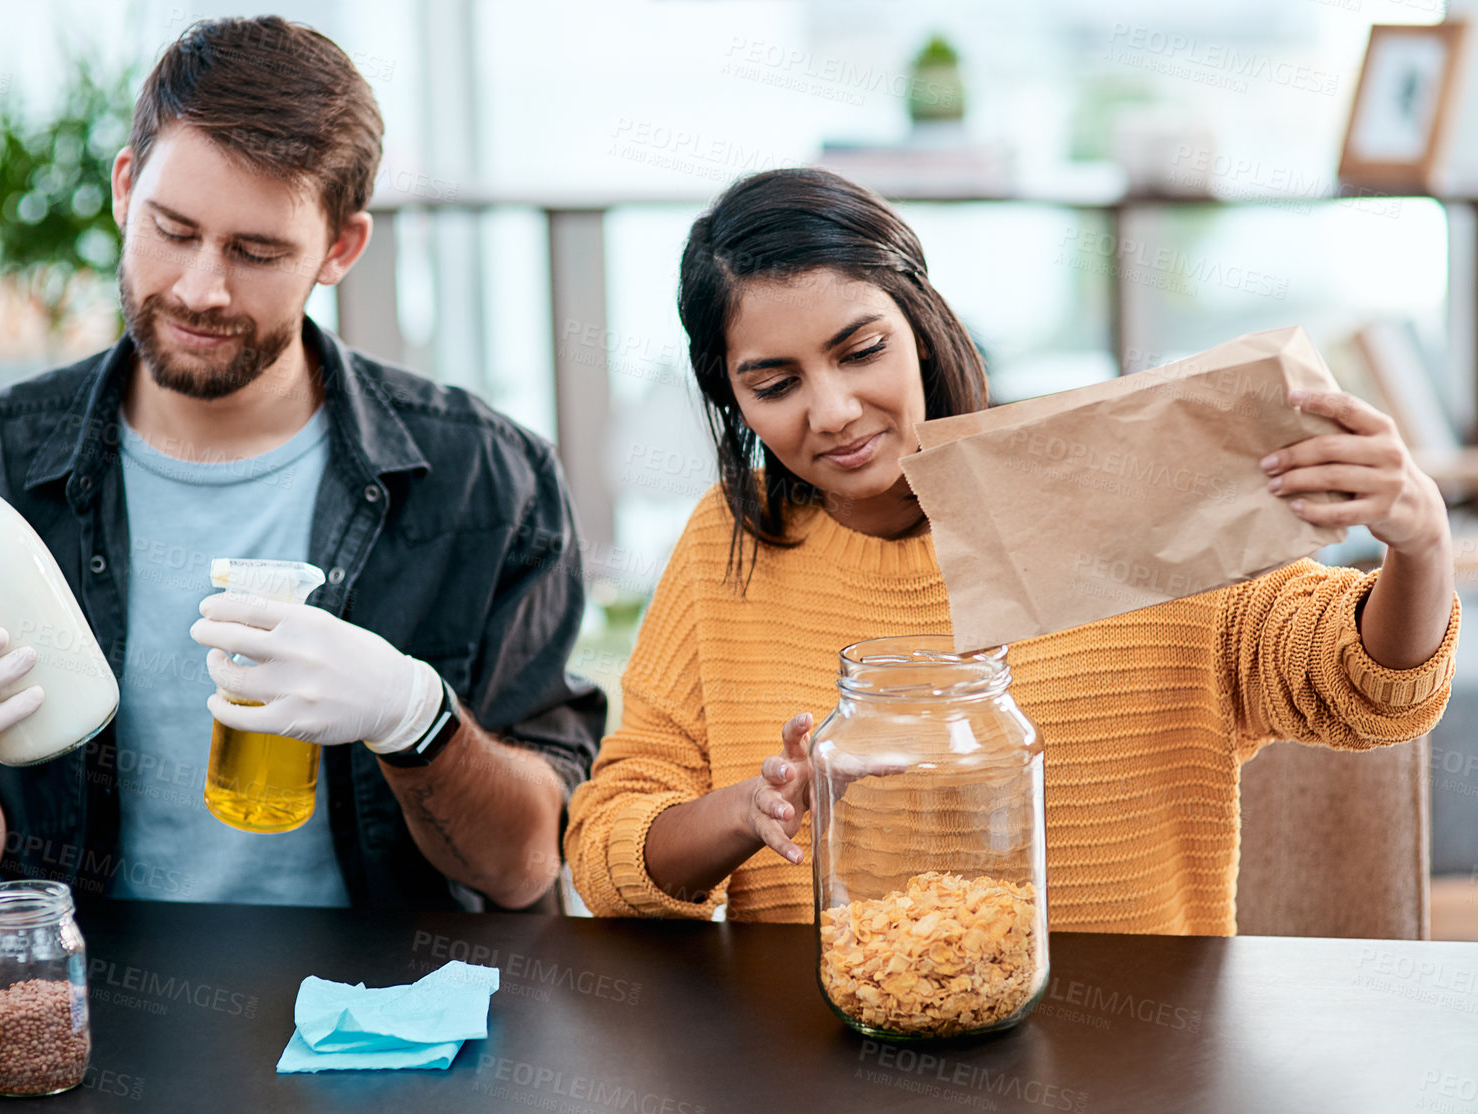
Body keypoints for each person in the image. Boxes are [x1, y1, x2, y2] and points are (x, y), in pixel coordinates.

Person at [564, 167, 1458, 935]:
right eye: (774, 382)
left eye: (861, 350)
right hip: (823, 1062)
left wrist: (1418, 542)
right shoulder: (731, 537)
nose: (831, 410)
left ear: (919, 321)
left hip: (1131, 1064)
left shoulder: (1109, 485)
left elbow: (1358, 684)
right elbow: (606, 850)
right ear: (732, 398)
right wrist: (746, 810)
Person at [0, 16, 604, 912]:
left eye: (257, 252)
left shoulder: (489, 481)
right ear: (126, 188)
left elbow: (522, 867)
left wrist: (417, 717)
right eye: (174, 230)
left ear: (340, 248)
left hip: (393, 1020)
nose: (202, 288)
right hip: (81, 1018)